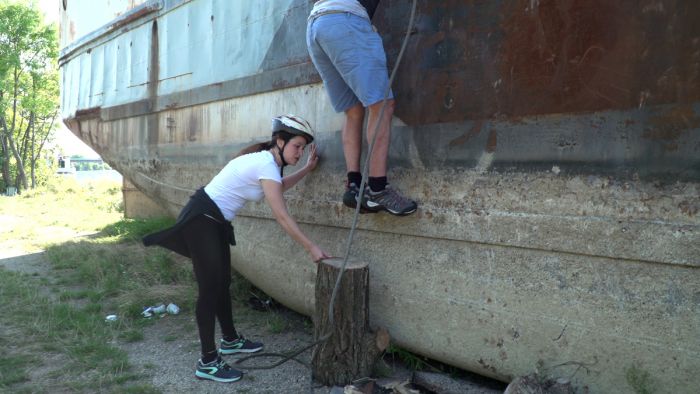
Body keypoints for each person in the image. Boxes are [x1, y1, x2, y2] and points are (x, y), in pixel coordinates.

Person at [143, 114, 330, 383]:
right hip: (201, 220)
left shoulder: (269, 164)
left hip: (214, 221)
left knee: (223, 283)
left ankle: (229, 340)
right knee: (209, 289)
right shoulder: (265, 163)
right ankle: (207, 361)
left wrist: (305, 170)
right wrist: (311, 247)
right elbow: (282, 216)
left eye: (302, 148)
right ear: (280, 141)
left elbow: (277, 187)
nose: (300, 153)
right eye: (297, 146)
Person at [306, 0, 417, 216]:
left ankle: (354, 185)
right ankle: (377, 189)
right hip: (345, 21)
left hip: (318, 24)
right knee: (382, 105)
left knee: (353, 109)